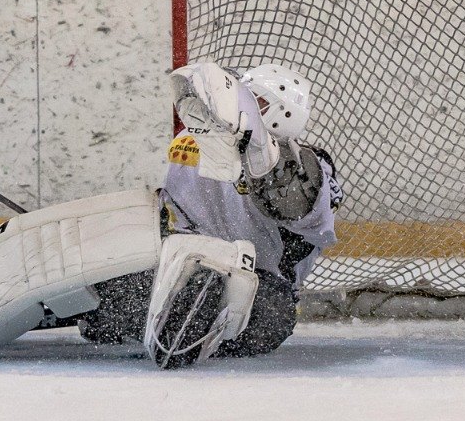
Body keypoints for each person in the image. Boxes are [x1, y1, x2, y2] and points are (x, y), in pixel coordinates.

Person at [74, 60, 342, 368]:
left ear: (283, 112)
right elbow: (170, 209)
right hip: (180, 264)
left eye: (257, 100)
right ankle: (170, 309)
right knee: (112, 297)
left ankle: (179, 313)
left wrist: (265, 166)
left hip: (256, 279)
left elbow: (304, 214)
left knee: (269, 313)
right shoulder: (188, 142)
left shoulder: (307, 168)